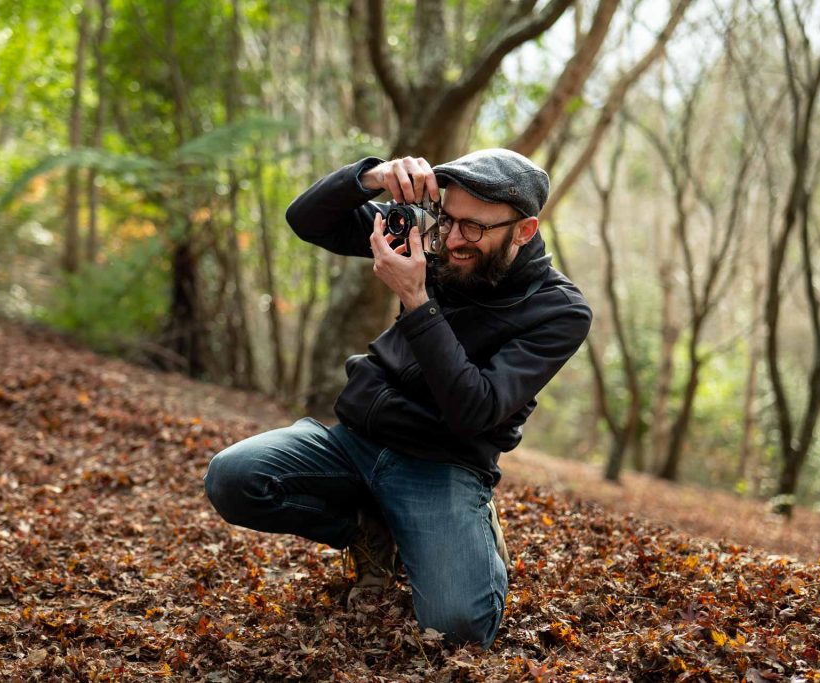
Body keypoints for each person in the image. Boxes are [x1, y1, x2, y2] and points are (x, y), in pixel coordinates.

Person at [204, 150, 592, 649]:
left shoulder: (557, 310)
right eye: (447, 218)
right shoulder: (430, 239)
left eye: (473, 228)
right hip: (357, 439)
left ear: (524, 229)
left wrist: (417, 302)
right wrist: (372, 177)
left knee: (458, 629)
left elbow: (477, 409)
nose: (452, 240)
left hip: (442, 464)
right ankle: (368, 528)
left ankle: (468, 527)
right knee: (233, 478)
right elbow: (306, 220)